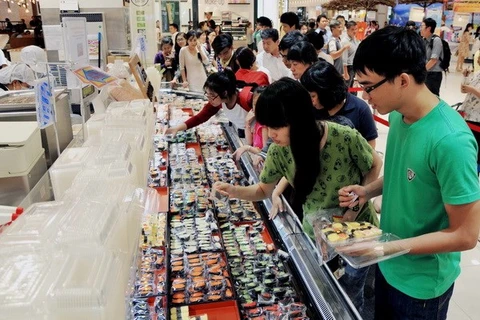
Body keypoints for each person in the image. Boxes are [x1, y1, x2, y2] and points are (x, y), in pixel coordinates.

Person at [338, 26, 480, 320]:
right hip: (389, 262)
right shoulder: (399, 116)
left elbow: (466, 235)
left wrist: (387, 247)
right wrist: (368, 191)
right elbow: (403, 174)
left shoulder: (450, 140)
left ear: (402, 80)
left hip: (422, 285)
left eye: (369, 86)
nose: (364, 95)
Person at [213, 78, 382, 313]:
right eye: (267, 126)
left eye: (277, 126)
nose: (271, 134)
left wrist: (357, 202)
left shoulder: (343, 137)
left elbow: (374, 164)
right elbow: (263, 189)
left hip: (358, 232)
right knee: (328, 295)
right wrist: (232, 191)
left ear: (299, 118)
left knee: (353, 297)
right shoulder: (279, 150)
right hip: (318, 235)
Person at [301, 60, 378, 146]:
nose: (311, 101)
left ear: (325, 93)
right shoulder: (311, 109)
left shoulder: (360, 109)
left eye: (313, 96)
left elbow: (370, 150)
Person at [166, 69, 252, 138]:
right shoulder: (220, 100)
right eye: (207, 94)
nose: (209, 99)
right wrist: (178, 128)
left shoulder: (246, 99)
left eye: (212, 95)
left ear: (225, 93)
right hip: (248, 133)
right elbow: (200, 117)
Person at [233, 86, 268, 160]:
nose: (258, 108)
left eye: (261, 105)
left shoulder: (265, 126)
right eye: (255, 104)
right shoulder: (258, 121)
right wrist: (247, 122)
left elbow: (265, 153)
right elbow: (249, 142)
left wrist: (247, 148)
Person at [460, 54, 480, 162]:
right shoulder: (477, 74)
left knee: (476, 155)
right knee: (469, 152)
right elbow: (463, 90)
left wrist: (472, 89)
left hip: (477, 120)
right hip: (468, 117)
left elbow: (470, 90)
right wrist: (465, 77)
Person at [420, 18, 444, 96]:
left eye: (422, 26)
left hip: (434, 75)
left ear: (429, 28)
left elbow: (433, 60)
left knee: (433, 97)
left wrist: (422, 72)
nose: (420, 29)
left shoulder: (436, 40)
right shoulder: (424, 40)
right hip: (426, 73)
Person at [342, 21, 360, 88]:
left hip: (354, 66)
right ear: (347, 29)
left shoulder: (354, 39)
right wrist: (345, 72)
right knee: (347, 87)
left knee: (353, 88)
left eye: (356, 29)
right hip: (349, 67)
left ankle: (352, 98)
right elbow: (344, 59)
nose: (355, 31)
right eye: (352, 29)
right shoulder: (345, 41)